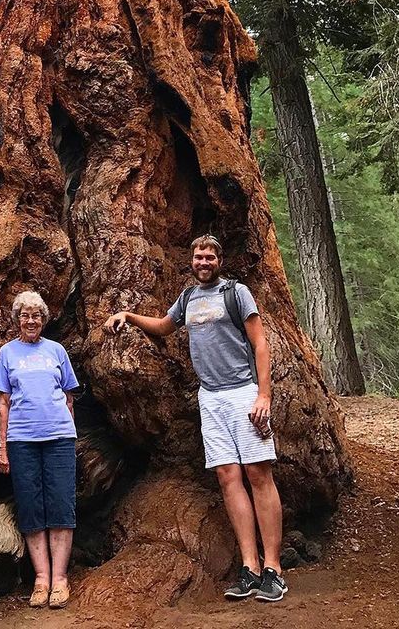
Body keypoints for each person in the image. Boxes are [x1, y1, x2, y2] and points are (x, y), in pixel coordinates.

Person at [104, 235, 288, 603]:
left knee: (258, 473)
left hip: (242, 393)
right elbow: (162, 326)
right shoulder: (188, 298)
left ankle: (273, 569)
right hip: (210, 397)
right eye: (198, 257)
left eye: (209, 256)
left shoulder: (237, 293)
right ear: (191, 261)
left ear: (219, 260)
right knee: (227, 476)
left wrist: (263, 394)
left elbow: (260, 344)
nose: (203, 262)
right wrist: (128, 316)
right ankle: (249, 567)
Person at [0, 290, 79, 609]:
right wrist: (2, 448)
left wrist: (72, 434)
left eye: (36, 315)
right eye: (25, 315)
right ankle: (41, 579)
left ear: (44, 319)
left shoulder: (57, 351)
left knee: (60, 504)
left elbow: (69, 398)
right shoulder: (7, 354)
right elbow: (3, 403)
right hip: (21, 440)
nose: (31, 320)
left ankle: (60, 579)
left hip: (59, 438)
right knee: (31, 507)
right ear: (17, 319)